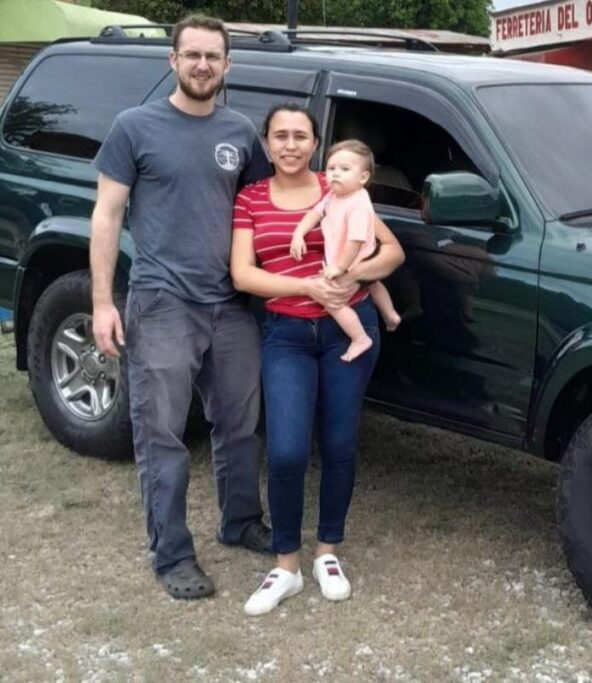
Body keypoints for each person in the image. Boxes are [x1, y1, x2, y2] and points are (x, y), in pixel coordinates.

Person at [90, 15, 274, 600]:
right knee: (162, 434)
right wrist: (101, 302)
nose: (202, 65)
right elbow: (107, 216)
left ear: (227, 66)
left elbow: (263, 213)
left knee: (241, 425)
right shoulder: (134, 127)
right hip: (162, 304)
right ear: (172, 60)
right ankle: (171, 553)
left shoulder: (242, 133)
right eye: (191, 55)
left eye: (212, 57)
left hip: (232, 306)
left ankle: (240, 520)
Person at [230, 104, 405, 615]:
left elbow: (392, 253)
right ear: (266, 143)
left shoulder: (342, 188)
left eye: (300, 136)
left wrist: (353, 276)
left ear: (315, 142)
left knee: (339, 442)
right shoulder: (250, 198)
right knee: (285, 449)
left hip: (346, 329)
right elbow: (242, 274)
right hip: (285, 333)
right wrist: (305, 284)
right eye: (280, 136)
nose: (290, 144)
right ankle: (286, 564)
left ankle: (328, 552)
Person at [289, 139, 401, 362]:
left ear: (363, 178)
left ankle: (359, 337)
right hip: (360, 256)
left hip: (355, 258)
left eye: (344, 169)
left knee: (332, 299)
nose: (335, 174)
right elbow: (315, 213)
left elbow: (355, 240)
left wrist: (339, 267)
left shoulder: (358, 203)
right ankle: (390, 315)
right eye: (331, 168)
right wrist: (298, 233)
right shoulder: (333, 196)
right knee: (374, 284)